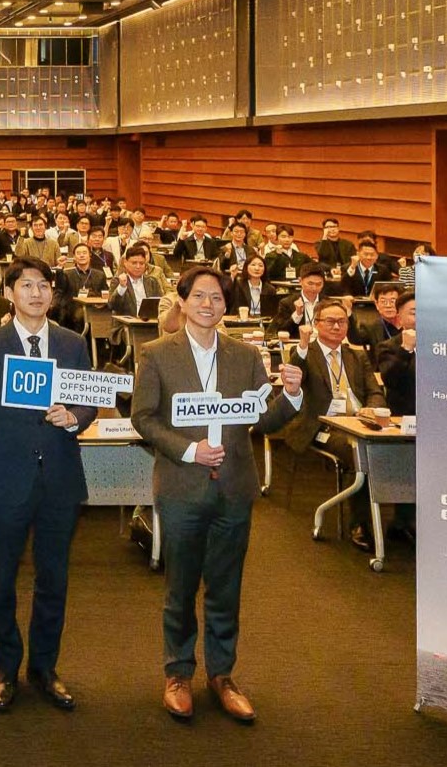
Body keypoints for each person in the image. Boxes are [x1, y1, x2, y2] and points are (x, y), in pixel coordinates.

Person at [130, 266, 303, 724]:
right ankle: (179, 673)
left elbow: (261, 420)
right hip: (182, 486)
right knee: (181, 587)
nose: (209, 305)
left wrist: (290, 396)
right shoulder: (155, 354)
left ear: (227, 306)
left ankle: (222, 675)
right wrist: (189, 450)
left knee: (226, 589)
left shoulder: (245, 356)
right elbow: (144, 418)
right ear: (182, 301)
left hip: (233, 488)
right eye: (200, 296)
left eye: (217, 299)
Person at [0, 258, 96, 713]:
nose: (36, 293)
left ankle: (45, 668)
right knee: (2, 581)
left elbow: (89, 398)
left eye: (43, 286)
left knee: (54, 580)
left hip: (58, 475)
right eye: (26, 285)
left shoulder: (73, 343)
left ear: (53, 294)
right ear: (10, 292)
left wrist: (75, 417)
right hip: (5, 476)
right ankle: (6, 667)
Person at [275, 300, 387, 553]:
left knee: (393, 450)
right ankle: (361, 524)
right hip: (323, 427)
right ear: (316, 325)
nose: (337, 326)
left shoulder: (357, 356)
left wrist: (373, 407)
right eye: (330, 321)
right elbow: (294, 370)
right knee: (358, 453)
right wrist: (302, 345)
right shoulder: (308, 353)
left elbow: (375, 391)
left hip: (359, 421)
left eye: (342, 321)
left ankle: (400, 521)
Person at [374, 290, 420, 543]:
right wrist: (406, 349)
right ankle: (403, 522)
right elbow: (391, 379)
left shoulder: (442, 346)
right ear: (399, 317)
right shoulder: (389, 347)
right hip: (403, 421)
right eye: (414, 312)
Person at [271, 263, 329, 339]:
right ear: (300, 281)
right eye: (310, 283)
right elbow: (281, 331)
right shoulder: (287, 303)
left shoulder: (328, 303)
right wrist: (297, 315)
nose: (314, 288)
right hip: (298, 345)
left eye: (318, 284)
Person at [228, 254, 275, 320]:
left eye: (260, 265)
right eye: (253, 265)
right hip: (242, 322)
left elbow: (272, 313)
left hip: (263, 322)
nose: (257, 268)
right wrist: (232, 276)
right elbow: (228, 296)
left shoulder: (270, 289)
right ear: (246, 267)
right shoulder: (239, 285)